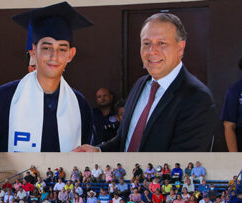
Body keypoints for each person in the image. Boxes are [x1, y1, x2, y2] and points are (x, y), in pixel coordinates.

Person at [75, 13, 216, 152]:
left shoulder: (197, 98)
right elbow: (125, 141)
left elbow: (183, 163)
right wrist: (99, 151)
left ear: (180, 48)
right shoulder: (140, 85)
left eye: (162, 43)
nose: (152, 51)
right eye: (146, 43)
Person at [0, 2, 93, 152]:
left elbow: (88, 154)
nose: (54, 57)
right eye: (47, 48)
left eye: (62, 49)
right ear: (34, 51)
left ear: (70, 55)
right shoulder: (4, 98)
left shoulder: (80, 104)